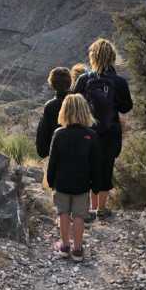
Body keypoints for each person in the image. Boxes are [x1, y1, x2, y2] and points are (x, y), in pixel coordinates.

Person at [73, 38, 133, 221]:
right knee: (106, 168)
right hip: (111, 131)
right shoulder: (120, 82)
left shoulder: (84, 79)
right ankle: (101, 208)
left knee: (88, 168)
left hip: (87, 132)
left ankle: (90, 208)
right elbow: (126, 107)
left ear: (93, 57)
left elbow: (73, 104)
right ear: (112, 57)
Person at [46, 94, 102, 262]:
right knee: (79, 216)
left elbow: (53, 159)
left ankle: (64, 246)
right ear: (85, 112)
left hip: (62, 182)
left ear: (64, 111)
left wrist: (50, 180)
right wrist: (96, 185)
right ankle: (77, 249)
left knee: (63, 213)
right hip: (83, 184)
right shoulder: (91, 135)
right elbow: (95, 163)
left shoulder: (59, 133)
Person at [36, 67, 72, 160]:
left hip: (56, 155)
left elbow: (43, 135)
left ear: (52, 84)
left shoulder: (50, 106)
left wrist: (44, 152)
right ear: (70, 82)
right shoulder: (79, 103)